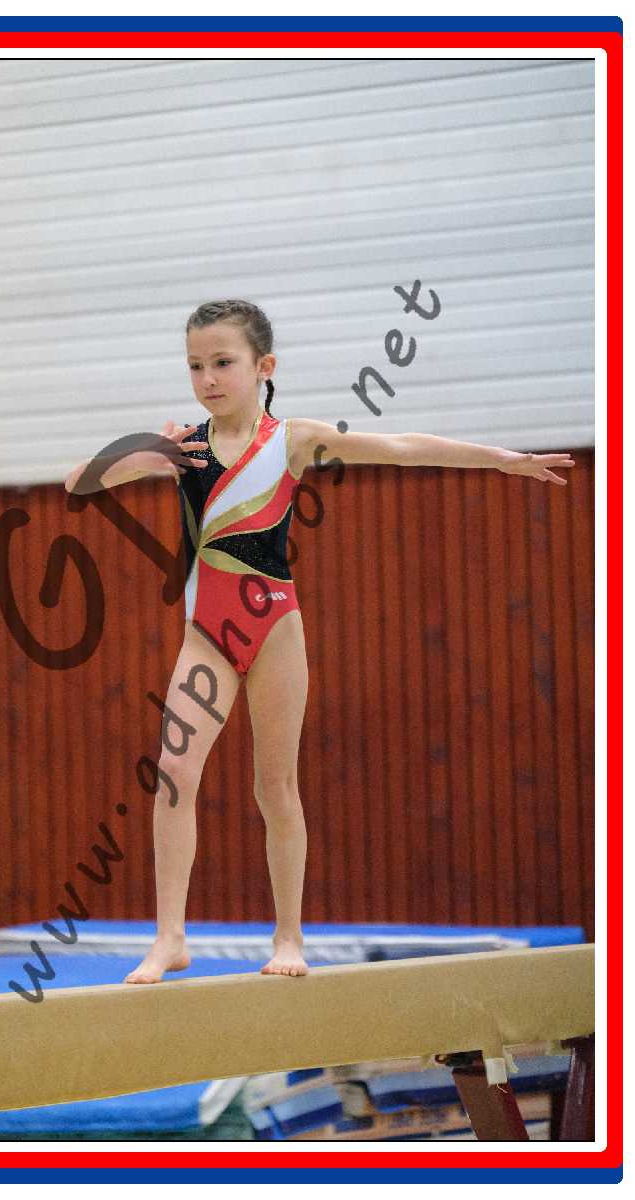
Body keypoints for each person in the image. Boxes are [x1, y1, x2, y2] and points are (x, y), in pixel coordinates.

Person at [64, 299, 575, 984]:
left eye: (223, 362)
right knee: (175, 773)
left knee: (275, 786)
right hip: (207, 635)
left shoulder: (293, 441)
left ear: (263, 366)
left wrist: (500, 460)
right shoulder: (183, 450)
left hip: (274, 629)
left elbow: (401, 448)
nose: (207, 378)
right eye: (195, 365)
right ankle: (170, 938)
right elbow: (78, 482)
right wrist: (146, 450)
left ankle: (289, 937)